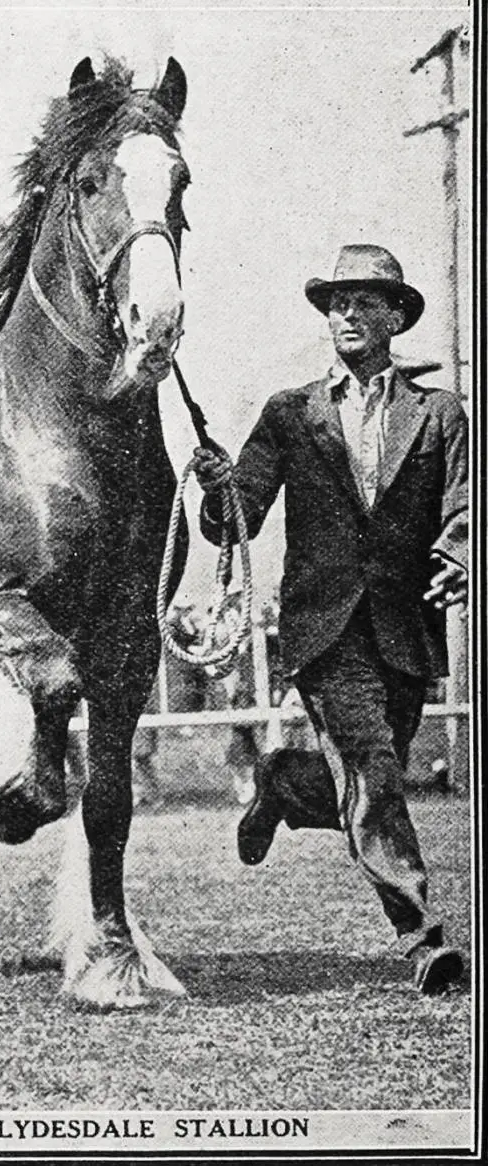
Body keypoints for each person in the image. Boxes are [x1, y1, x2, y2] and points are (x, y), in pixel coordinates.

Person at [194, 245, 468, 995]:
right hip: (322, 629)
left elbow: (464, 504)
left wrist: (458, 555)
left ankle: (286, 784)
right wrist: (219, 488)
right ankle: (421, 937)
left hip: (406, 629)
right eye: (335, 303)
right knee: (374, 772)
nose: (344, 314)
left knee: (364, 781)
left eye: (361, 302)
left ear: (393, 317)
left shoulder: (440, 413)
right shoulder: (289, 414)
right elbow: (233, 522)